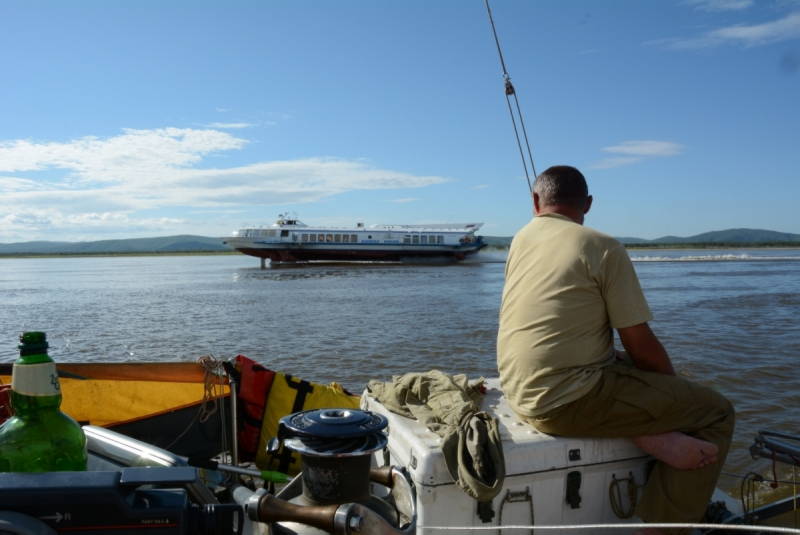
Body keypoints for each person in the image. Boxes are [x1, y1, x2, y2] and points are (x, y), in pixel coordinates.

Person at [497, 165, 734, 532]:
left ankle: (650, 435)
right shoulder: (602, 246)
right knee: (716, 411)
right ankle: (664, 527)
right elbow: (638, 340)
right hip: (564, 401)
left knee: (627, 370)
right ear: (588, 204)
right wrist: (668, 392)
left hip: (518, 388)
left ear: (535, 201)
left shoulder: (519, 240)